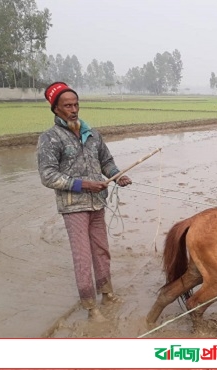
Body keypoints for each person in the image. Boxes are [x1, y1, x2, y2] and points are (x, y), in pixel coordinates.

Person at [37, 82, 132, 321]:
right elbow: (48, 176)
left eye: (76, 104)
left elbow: (106, 161)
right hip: (73, 206)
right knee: (82, 256)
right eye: (67, 105)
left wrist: (117, 175)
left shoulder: (92, 134)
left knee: (102, 250)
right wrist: (84, 184)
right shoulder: (50, 138)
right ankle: (91, 306)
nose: (73, 109)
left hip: (97, 202)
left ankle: (107, 293)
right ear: (56, 109)